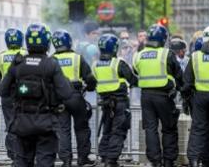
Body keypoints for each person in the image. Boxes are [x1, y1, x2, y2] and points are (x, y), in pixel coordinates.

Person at [0, 23, 72, 167]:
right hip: (46, 124)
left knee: (22, 162)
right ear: (47, 42)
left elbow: (2, 90)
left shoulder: (18, 63)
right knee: (44, 162)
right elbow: (66, 93)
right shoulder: (51, 64)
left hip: (22, 123)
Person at [132, 24, 183, 167]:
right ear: (163, 39)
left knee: (150, 129)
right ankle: (168, 161)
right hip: (164, 96)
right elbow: (179, 74)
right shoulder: (166, 53)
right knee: (169, 128)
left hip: (146, 97)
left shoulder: (139, 55)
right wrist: (181, 89)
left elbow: (135, 73)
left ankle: (155, 161)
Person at [51, 29, 97, 167]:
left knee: (63, 130)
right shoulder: (77, 58)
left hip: (59, 99)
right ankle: (83, 158)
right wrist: (89, 88)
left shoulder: (52, 59)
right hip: (76, 97)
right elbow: (89, 78)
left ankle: (66, 160)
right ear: (69, 41)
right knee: (82, 128)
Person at [92, 34, 138, 167]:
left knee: (107, 130)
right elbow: (133, 79)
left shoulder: (96, 65)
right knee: (118, 131)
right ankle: (111, 160)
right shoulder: (118, 63)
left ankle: (104, 156)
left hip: (106, 103)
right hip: (120, 102)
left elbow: (93, 81)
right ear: (114, 48)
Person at [183, 25, 209, 167]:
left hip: (200, 98)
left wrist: (187, 99)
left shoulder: (195, 56)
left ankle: (193, 159)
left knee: (198, 129)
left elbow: (187, 81)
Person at [0, 28, 28, 163]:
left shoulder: (0, 56)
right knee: (25, 124)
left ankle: (13, 154)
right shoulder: (27, 53)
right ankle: (23, 154)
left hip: (7, 96)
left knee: (11, 124)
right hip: (25, 94)